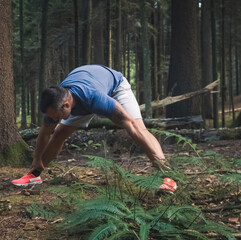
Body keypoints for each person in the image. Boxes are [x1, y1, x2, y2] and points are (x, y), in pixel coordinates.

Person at [12, 65, 177, 192]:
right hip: (85, 89)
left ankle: (168, 177)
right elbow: (45, 133)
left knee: (139, 128)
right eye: (52, 116)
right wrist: (36, 160)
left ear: (66, 105)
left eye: (56, 116)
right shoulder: (57, 103)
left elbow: (132, 127)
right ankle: (34, 175)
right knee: (59, 133)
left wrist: (157, 162)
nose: (53, 119)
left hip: (115, 87)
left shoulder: (96, 99)